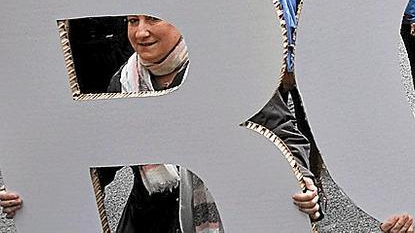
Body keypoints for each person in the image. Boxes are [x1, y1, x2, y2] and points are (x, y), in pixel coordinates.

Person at [0, 15, 325, 231]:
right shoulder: (124, 82)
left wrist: (300, 178)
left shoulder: (229, 72)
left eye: (153, 19)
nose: (140, 32)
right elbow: (98, 159)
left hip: (228, 219)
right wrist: (37, 188)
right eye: (132, 21)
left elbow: (283, 133)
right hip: (148, 223)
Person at [230, 0, 328, 180]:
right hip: (264, 61)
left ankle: (312, 181)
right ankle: (282, 182)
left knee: (312, 125)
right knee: (271, 128)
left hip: (307, 57)